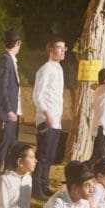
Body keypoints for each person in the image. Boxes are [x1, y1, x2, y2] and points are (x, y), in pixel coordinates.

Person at [30, 38, 67, 198]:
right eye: (59, 47)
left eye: (64, 48)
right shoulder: (46, 69)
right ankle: (36, 188)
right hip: (46, 119)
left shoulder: (59, 69)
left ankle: (44, 186)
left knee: (51, 156)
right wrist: (47, 114)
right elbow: (37, 95)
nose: (62, 51)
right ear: (50, 50)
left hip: (56, 120)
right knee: (43, 155)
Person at [0, 29, 23, 179]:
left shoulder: (10, 60)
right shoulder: (5, 60)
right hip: (6, 113)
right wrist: (9, 110)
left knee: (11, 147)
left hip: (12, 111)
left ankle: (8, 176)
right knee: (2, 148)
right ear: (18, 43)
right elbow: (1, 87)